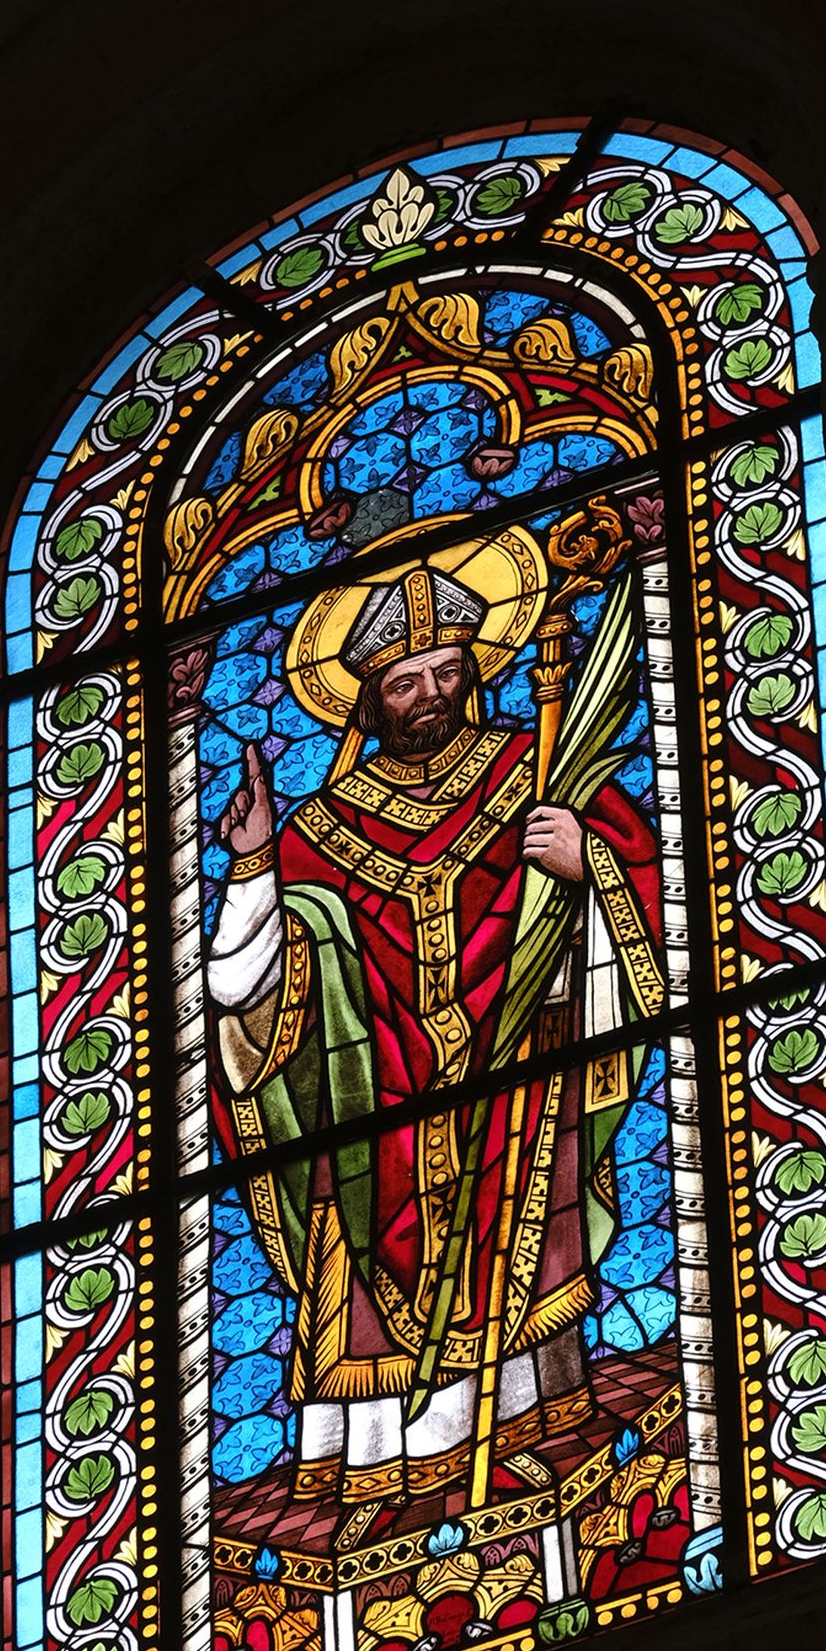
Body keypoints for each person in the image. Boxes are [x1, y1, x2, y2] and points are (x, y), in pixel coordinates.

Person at [207, 565, 665, 1508]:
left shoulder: (535, 768)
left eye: (449, 674)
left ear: (475, 672)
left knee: (529, 1247)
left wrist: (590, 870)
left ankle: (538, 1430)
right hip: (375, 1112)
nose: (432, 699)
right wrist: (254, 867)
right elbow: (251, 997)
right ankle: (385, 1477)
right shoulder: (319, 831)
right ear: (368, 698)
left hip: (519, 1088)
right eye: (407, 683)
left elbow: (661, 895)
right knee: (362, 1261)